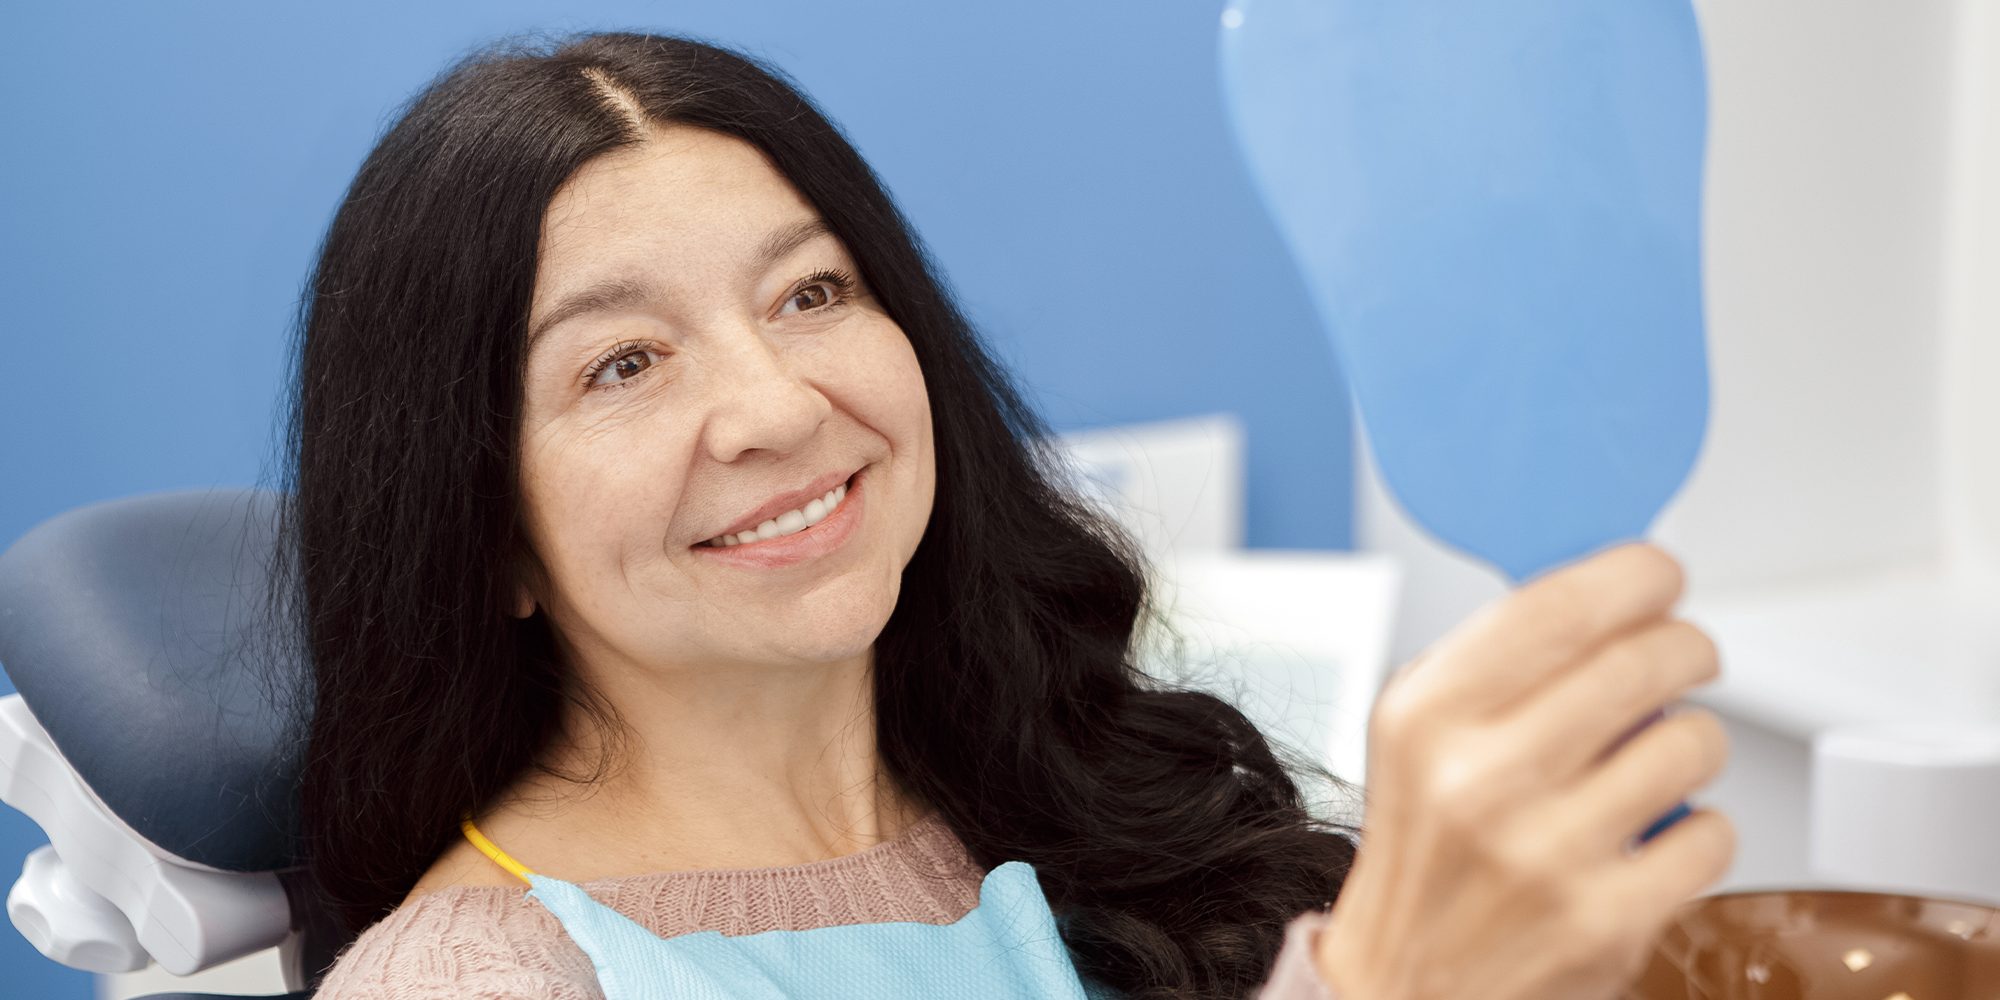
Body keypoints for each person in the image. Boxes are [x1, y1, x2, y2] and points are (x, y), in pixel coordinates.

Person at [284, 31, 1736, 999]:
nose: (778, 404)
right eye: (623, 363)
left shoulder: (1082, 804)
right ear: (484, 529)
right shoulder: (480, 981)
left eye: (812, 291)